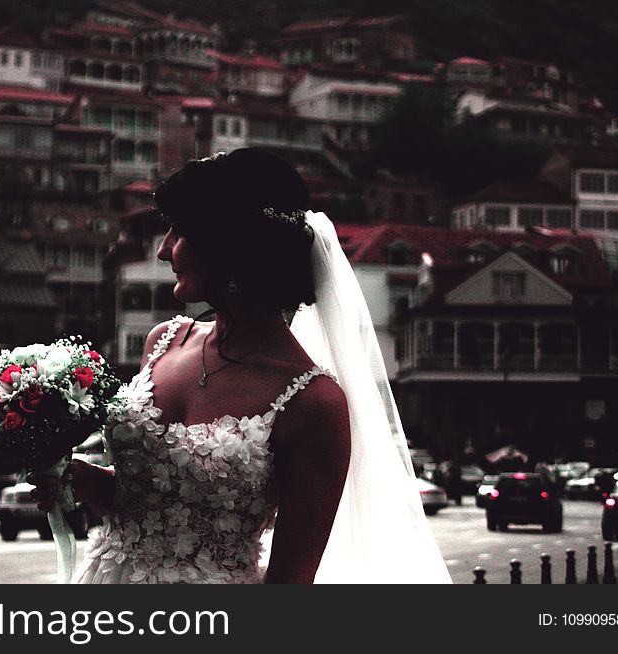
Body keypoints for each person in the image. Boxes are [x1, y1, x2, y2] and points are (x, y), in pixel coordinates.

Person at [32, 148, 451, 584]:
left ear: (229, 248)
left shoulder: (315, 403)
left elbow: (291, 580)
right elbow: (145, 498)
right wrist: (79, 478)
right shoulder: (163, 342)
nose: (162, 250)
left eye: (179, 232)